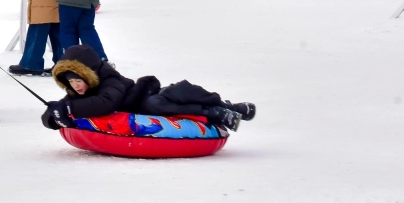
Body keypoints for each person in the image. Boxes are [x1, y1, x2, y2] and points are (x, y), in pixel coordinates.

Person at [40, 45, 256, 133]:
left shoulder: (109, 80)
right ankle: (219, 110)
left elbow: (108, 102)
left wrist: (68, 108)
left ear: (90, 73)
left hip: (148, 97)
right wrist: (54, 114)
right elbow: (55, 112)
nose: (75, 85)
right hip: (145, 111)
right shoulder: (79, 92)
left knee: (168, 97)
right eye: (70, 82)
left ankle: (222, 108)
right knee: (158, 105)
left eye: (79, 79)